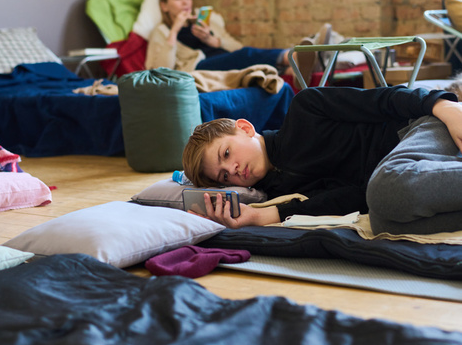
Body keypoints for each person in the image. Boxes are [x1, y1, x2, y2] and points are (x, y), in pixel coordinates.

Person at [182, 84, 462, 236]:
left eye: (226, 154)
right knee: (383, 222)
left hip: (418, 130)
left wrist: (444, 106)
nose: (232, 170)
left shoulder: (307, 108)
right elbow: (355, 199)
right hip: (398, 179)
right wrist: (258, 216)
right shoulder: (281, 194)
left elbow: (384, 99)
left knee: (385, 188)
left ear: (244, 128)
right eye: (224, 177)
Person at [144, 0, 293, 74]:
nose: (185, 2)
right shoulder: (161, 31)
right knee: (246, 54)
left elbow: (237, 47)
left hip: (224, 59)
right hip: (199, 66)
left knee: (249, 61)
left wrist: (212, 40)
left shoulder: (205, 22)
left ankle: (295, 69)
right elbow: (162, 70)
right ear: (164, 6)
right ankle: (292, 56)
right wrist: (174, 31)